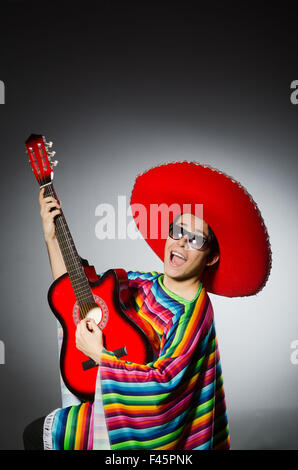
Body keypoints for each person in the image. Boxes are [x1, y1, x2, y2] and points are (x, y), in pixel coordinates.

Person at [23, 161, 271, 450]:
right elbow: (74, 296)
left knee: (39, 434)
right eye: (177, 231)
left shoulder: (194, 313)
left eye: (195, 239)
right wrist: (52, 237)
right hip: (110, 399)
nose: (180, 244)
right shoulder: (141, 282)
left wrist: (101, 357)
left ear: (211, 258)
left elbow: (163, 385)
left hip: (143, 427)